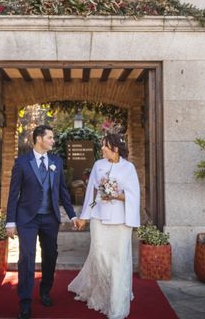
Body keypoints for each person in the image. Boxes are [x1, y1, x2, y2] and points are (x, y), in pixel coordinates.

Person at [6, 125, 80, 319]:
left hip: (50, 218)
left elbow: (63, 190)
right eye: (50, 137)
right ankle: (25, 302)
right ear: (39, 139)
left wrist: (72, 215)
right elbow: (14, 194)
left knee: (50, 255)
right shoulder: (22, 162)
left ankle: (45, 290)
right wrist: (10, 221)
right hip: (27, 219)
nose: (53, 141)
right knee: (27, 257)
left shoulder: (56, 161)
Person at [68, 132, 141, 319]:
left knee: (118, 261)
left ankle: (116, 300)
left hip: (121, 222)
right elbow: (91, 196)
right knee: (99, 256)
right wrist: (85, 216)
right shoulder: (98, 165)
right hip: (99, 219)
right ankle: (101, 292)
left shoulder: (129, 168)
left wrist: (115, 195)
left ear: (115, 148)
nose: (102, 148)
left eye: (105, 146)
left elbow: (133, 196)